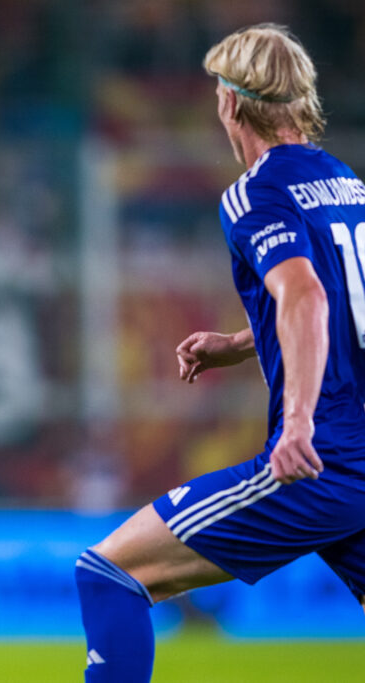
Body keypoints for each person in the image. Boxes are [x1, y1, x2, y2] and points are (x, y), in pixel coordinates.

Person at [75, 24, 365, 682]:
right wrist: (239, 342)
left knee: (109, 571)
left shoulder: (255, 192)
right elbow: (341, 302)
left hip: (323, 459)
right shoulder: (344, 182)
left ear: (230, 101)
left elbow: (307, 296)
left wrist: (299, 422)